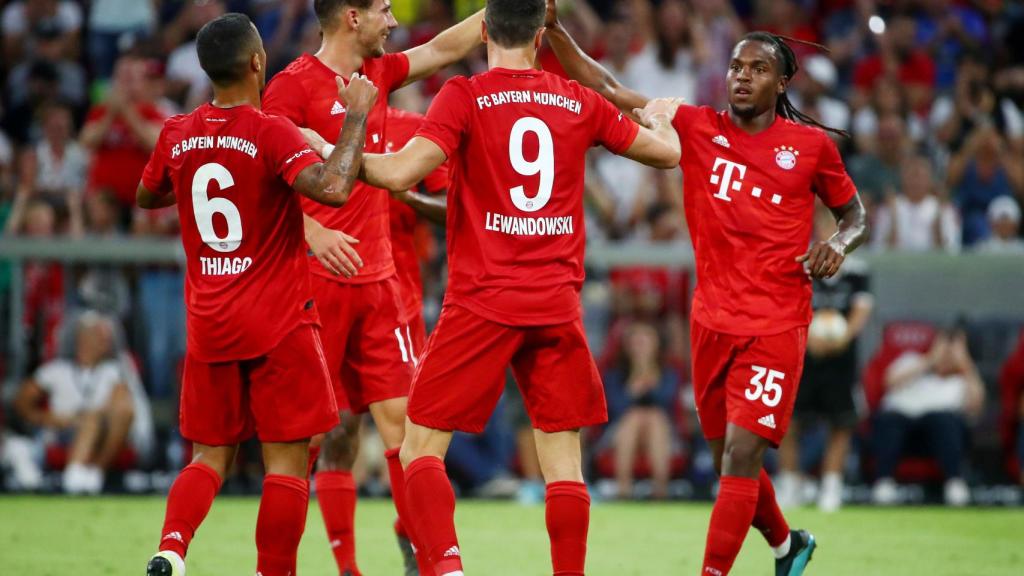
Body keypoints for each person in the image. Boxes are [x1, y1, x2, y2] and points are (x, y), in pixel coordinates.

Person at [340, 1, 682, 573]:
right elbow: (668, 155)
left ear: (483, 31)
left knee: (421, 449)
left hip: (482, 300)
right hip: (555, 302)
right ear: (540, 35)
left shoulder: (464, 95)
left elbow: (398, 172)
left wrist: (334, 145)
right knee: (563, 463)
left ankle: (447, 568)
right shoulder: (577, 99)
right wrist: (663, 119)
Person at [545, 2, 869, 573]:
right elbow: (608, 87)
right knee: (730, 459)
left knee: (741, 456)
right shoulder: (695, 127)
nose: (742, 76)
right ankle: (788, 546)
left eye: (758, 69)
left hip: (776, 323)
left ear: (782, 82)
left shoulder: (810, 148)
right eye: (736, 67)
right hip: (711, 322)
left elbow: (856, 216)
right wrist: (554, 29)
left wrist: (838, 245)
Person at [136, 13, 377, 576]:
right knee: (286, 465)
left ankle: (171, 547)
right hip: (278, 322)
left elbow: (147, 195)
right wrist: (357, 114)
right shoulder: (271, 131)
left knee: (208, 457)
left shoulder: (177, 132)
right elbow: (334, 188)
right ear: (257, 62)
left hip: (210, 322)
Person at [261, 2, 484, 573]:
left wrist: (503, 11)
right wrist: (311, 232)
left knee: (408, 435)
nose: (394, 20)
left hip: (383, 286)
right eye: (384, 9)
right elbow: (259, 174)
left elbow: (441, 49)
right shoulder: (291, 87)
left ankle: (432, 563)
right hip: (318, 285)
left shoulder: (378, 74)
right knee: (307, 443)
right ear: (352, 17)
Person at [777, 203, 874, 512]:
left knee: (841, 423)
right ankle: (791, 483)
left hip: (841, 359)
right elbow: (789, 305)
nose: (829, 230)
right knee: (789, 422)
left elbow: (862, 309)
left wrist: (842, 338)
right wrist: (808, 338)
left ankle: (831, 486)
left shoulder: (858, 270)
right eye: (824, 223)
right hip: (803, 355)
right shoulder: (803, 263)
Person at [871, 324, 985, 507]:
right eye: (944, 345)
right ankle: (884, 484)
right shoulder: (911, 359)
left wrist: (965, 364)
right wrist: (931, 359)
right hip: (901, 427)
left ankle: (955, 483)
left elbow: (976, 406)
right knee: (889, 419)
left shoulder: (962, 379)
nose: (947, 353)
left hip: (938, 434)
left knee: (944, 421)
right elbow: (889, 382)